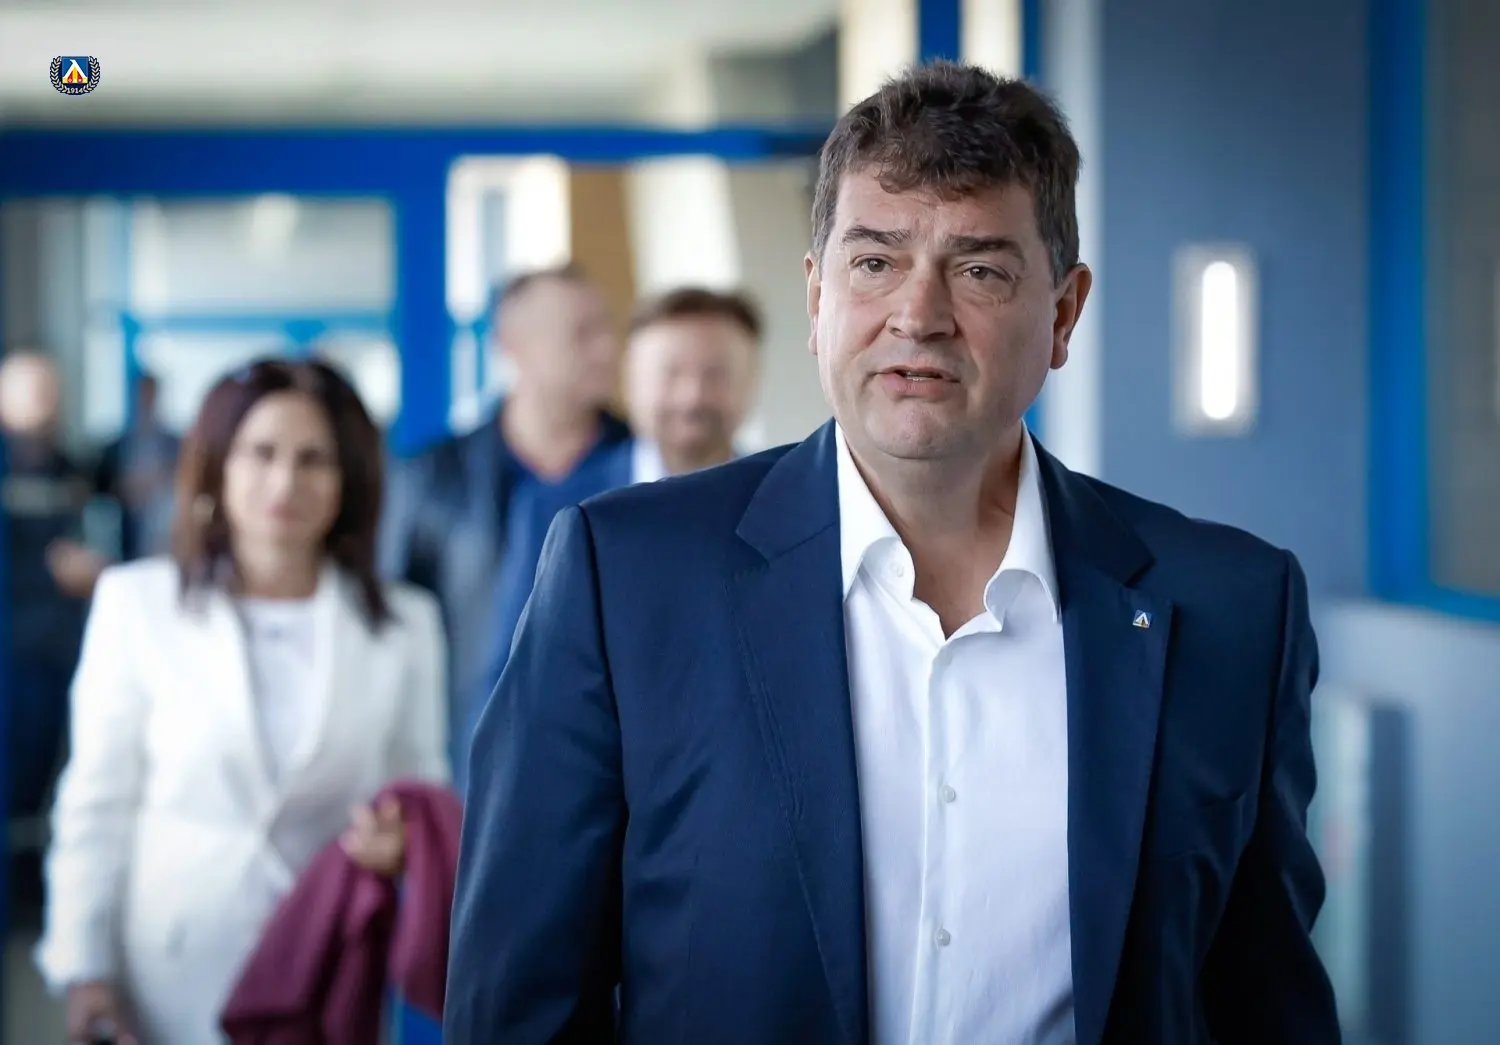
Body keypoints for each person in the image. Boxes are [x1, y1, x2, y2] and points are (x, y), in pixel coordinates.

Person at [445, 62, 1341, 1045]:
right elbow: (518, 1006)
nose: (918, 314)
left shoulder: (1230, 609)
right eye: (875, 262)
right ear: (817, 295)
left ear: (1063, 314)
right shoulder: (625, 579)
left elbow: (1267, 1005)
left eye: (980, 270)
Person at [36, 358, 450, 1045]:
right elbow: (95, 802)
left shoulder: (407, 625)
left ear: (348, 478)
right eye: (261, 453)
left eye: (313, 459)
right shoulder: (137, 605)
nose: (285, 482)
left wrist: (400, 843)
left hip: (328, 968)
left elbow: (418, 788)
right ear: (217, 466)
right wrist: (83, 968)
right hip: (169, 971)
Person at [380, 264, 632, 785]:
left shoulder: (647, 471)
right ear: (511, 346)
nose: (607, 349)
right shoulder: (431, 478)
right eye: (582, 333)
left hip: (620, 768)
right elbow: (391, 632)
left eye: (607, 329)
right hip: (471, 769)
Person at [0, 350, 103, 822]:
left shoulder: (69, 467)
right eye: (33, 392)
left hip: (61, 647)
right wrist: (51, 571)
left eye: (51, 391)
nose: (46, 403)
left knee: (49, 773)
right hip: (13, 652)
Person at [622, 286, 763, 482]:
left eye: (715, 374)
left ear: (751, 380)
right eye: (670, 373)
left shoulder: (787, 492)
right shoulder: (579, 498)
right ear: (629, 381)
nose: (692, 397)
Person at [94, 371, 180, 561]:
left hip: (164, 537)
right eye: (143, 394)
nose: (147, 399)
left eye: (151, 393)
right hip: (125, 538)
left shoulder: (177, 445)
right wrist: (127, 489)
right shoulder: (116, 447)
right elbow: (100, 492)